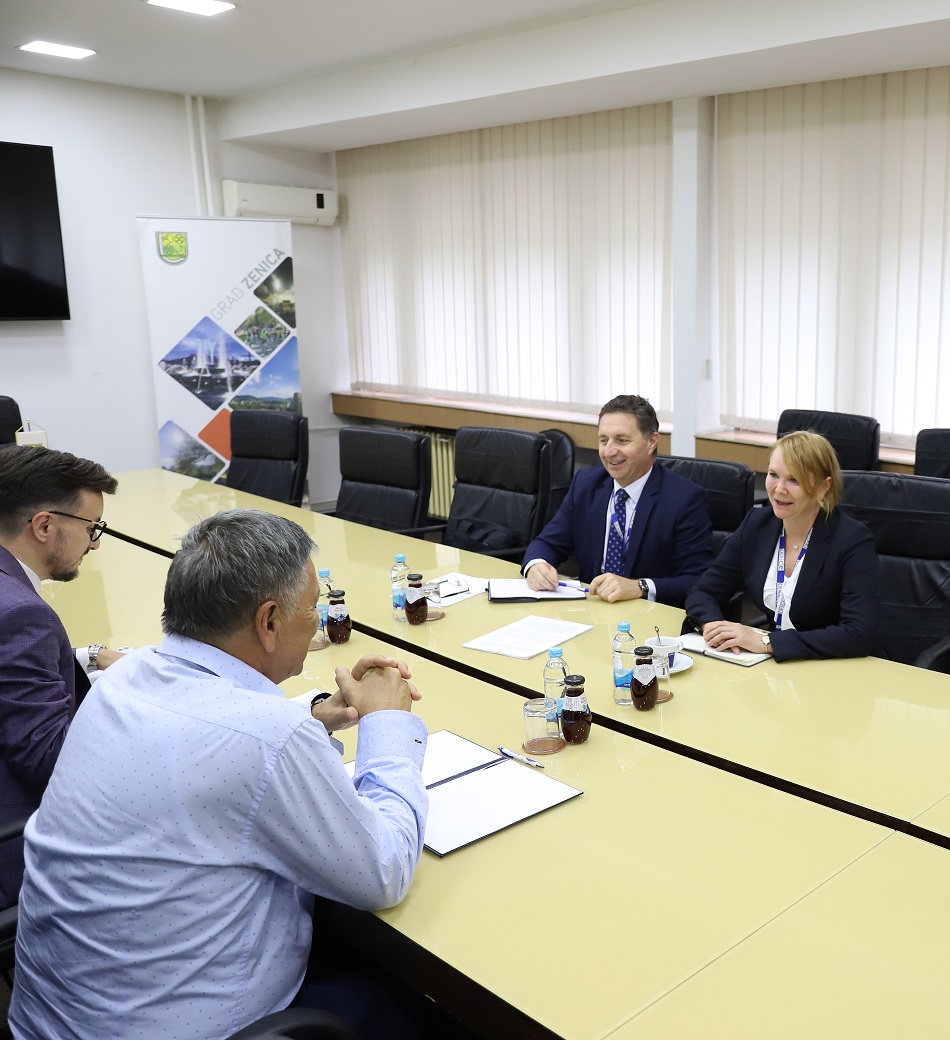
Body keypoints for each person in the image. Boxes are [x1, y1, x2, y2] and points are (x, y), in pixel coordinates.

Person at [9, 509, 430, 1040]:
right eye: (313, 608)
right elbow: (384, 871)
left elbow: (212, 745)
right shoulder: (268, 739)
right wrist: (388, 723)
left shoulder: (124, 678)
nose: (317, 621)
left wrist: (312, 719)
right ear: (269, 621)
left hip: (51, 1019)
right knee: (418, 1006)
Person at [0, 444, 120, 908]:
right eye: (92, 528)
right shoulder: (22, 614)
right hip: (20, 850)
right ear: (45, 526)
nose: (94, 544)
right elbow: (51, 759)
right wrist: (134, 692)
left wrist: (89, 658)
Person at [684, 431, 878, 661]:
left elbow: (858, 634)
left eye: (794, 480)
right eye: (774, 475)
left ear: (824, 486)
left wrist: (767, 643)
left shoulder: (852, 540)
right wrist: (713, 627)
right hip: (771, 666)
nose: (779, 489)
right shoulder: (757, 525)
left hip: (833, 666)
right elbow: (704, 591)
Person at [522, 394, 713, 607]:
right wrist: (536, 565)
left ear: (651, 442)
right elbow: (547, 542)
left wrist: (639, 587)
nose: (609, 452)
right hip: (592, 606)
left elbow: (698, 579)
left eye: (622, 440)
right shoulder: (586, 484)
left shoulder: (684, 498)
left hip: (648, 613)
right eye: (604, 440)